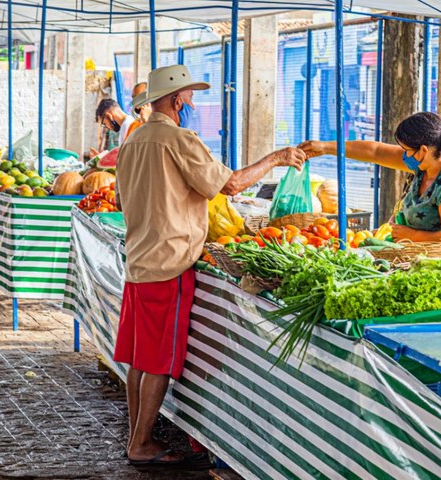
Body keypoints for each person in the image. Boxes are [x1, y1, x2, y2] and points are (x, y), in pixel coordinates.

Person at [114, 64, 306, 466]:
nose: (191, 102)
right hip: (169, 262)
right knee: (159, 360)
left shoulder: (134, 140)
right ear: (175, 99)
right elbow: (231, 185)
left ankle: (137, 437)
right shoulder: (178, 138)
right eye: (188, 95)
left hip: (139, 257)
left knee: (138, 356)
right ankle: (141, 445)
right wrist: (276, 158)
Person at [299, 111, 441, 257]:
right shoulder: (425, 165)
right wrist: (325, 147)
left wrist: (413, 235)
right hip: (424, 258)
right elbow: (376, 151)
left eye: (406, 150)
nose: (403, 155)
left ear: (422, 150)